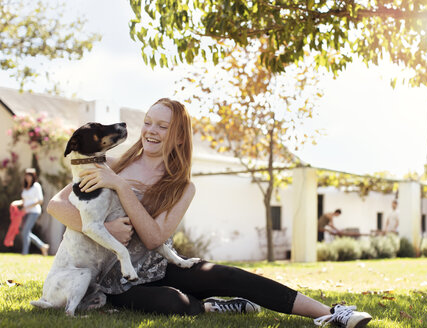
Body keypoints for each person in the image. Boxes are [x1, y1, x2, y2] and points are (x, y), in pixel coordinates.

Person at [47, 98, 372, 328]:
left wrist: (119, 187)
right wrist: (106, 227)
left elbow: (154, 237)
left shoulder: (182, 187)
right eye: (148, 122)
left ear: (177, 135)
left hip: (158, 265)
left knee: (229, 275)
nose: (151, 131)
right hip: (113, 277)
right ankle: (215, 306)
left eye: (162, 126)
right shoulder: (113, 163)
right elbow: (56, 205)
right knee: (173, 303)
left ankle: (332, 313)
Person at [12, 168, 49, 255]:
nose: (28, 177)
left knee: (25, 231)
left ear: (33, 177)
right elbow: (24, 201)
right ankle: (43, 246)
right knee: (26, 232)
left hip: (34, 212)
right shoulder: (25, 187)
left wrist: (28, 207)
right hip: (25, 212)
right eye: (27, 176)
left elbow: (40, 200)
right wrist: (15, 203)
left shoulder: (36, 186)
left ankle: (24, 252)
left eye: (30, 176)